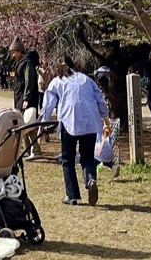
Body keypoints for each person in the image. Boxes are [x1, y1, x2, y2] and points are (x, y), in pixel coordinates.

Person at [41, 55, 110, 206]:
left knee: (68, 160)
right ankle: (90, 180)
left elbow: (48, 105)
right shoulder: (86, 79)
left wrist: (43, 124)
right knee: (88, 157)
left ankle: (72, 196)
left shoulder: (57, 81)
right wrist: (106, 121)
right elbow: (100, 100)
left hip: (69, 122)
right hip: (90, 122)